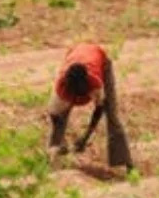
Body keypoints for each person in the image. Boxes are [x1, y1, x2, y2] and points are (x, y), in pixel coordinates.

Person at [48, 42, 133, 171]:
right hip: (76, 53)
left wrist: (86, 136)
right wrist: (61, 141)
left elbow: (100, 108)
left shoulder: (94, 82)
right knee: (61, 117)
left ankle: (128, 163)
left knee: (112, 114)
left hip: (100, 59)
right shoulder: (62, 86)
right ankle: (54, 160)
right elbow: (54, 114)